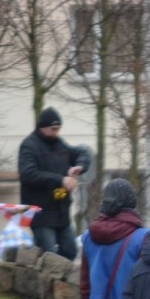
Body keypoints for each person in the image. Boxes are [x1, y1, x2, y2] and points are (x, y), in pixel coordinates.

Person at [18, 107, 90, 260]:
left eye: (58, 129)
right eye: (53, 129)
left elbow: (82, 152)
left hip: (61, 212)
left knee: (70, 250)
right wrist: (61, 180)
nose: (56, 133)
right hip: (40, 214)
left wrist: (79, 166)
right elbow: (28, 174)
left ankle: (58, 280)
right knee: (49, 253)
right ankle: (44, 279)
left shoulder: (59, 144)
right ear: (42, 127)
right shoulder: (29, 146)